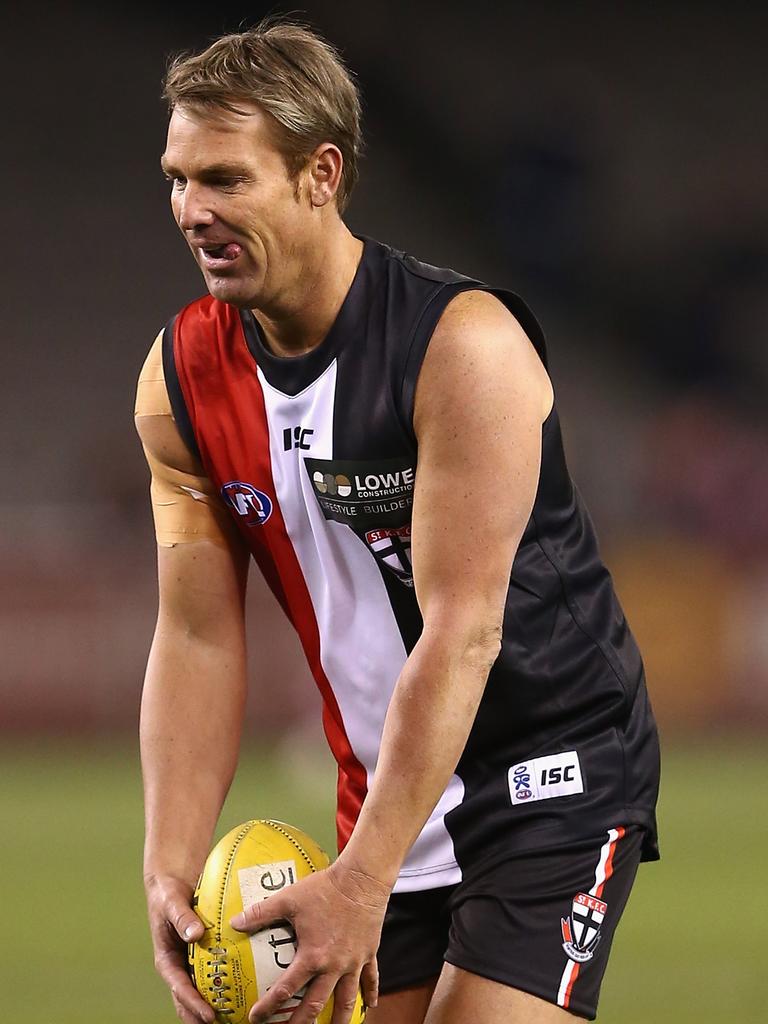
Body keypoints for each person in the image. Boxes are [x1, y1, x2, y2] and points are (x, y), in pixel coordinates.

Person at [135, 18, 660, 1024]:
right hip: (385, 789)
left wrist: (360, 879)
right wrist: (171, 865)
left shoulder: (463, 350)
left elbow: (464, 631)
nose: (191, 211)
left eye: (225, 179)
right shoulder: (180, 382)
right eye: (177, 177)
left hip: (548, 775)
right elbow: (198, 631)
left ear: (321, 174)